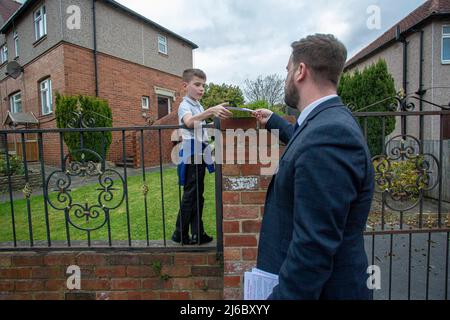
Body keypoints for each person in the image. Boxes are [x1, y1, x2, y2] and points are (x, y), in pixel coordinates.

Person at [253, 34, 375, 299]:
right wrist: (274, 121)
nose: (285, 77)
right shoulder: (326, 121)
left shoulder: (330, 135)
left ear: (300, 71)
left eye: (287, 69)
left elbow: (313, 250)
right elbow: (303, 142)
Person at [172, 68, 232, 245]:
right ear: (185, 86)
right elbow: (189, 122)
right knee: (191, 195)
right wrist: (211, 111)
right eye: (197, 85)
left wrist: (220, 120)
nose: (201, 89)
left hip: (199, 151)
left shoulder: (198, 106)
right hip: (191, 153)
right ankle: (179, 233)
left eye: (203, 86)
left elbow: (201, 126)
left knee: (198, 195)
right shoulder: (185, 105)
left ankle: (198, 233)